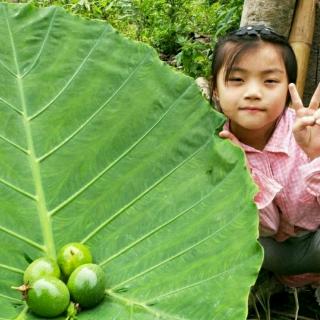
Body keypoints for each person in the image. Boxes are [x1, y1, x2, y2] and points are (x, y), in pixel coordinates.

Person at [209, 24, 320, 287]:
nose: (253, 92)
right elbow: (265, 229)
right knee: (231, 242)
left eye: (270, 81)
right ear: (215, 89)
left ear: (288, 90)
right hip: (278, 256)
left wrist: (315, 154)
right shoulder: (217, 148)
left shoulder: (309, 131)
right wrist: (245, 179)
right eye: (237, 80)